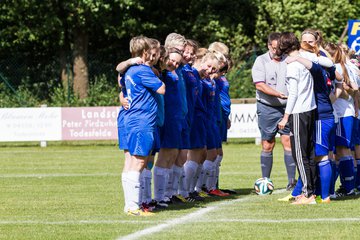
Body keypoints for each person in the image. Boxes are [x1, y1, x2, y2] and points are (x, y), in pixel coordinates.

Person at [122, 36, 165, 216]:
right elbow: (162, 88)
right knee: (140, 161)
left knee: (133, 161)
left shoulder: (129, 70)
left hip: (133, 119)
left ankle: (132, 204)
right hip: (142, 120)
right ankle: (133, 206)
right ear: (145, 52)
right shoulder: (142, 70)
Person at [251, 32, 296, 190]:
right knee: (268, 144)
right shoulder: (260, 61)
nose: (278, 51)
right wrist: (277, 93)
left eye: (281, 48)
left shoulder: (289, 60)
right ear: (269, 45)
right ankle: (265, 180)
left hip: (287, 108)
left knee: (288, 142)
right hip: (267, 107)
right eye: (275, 48)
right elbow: (259, 85)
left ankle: (292, 181)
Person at [277, 32, 317, 204]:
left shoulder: (293, 66)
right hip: (310, 110)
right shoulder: (303, 59)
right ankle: (310, 191)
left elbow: (293, 93)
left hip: (299, 112)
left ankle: (308, 194)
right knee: (308, 152)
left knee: (300, 154)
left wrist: (286, 117)